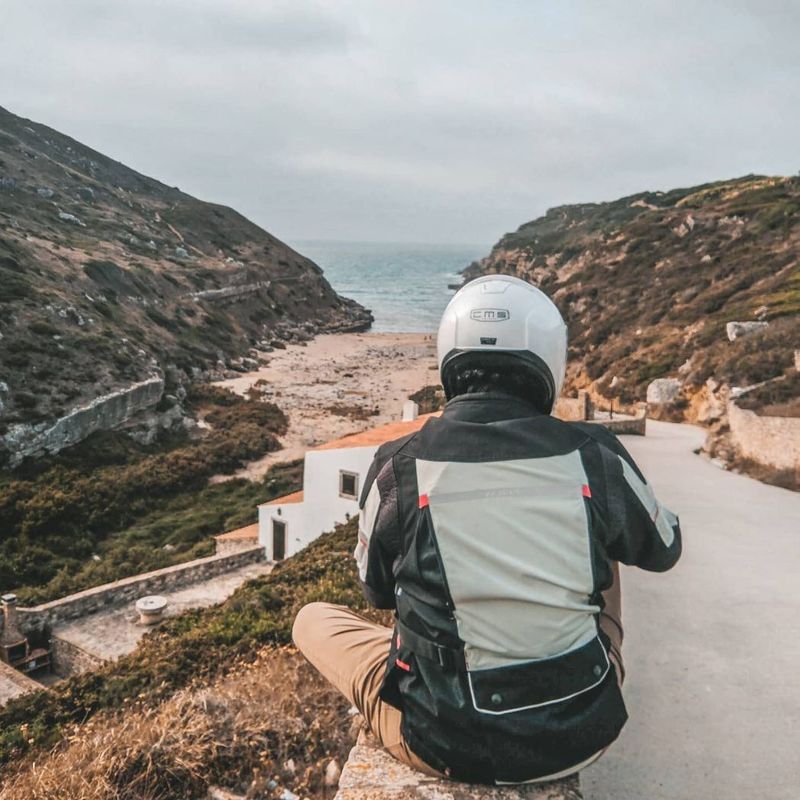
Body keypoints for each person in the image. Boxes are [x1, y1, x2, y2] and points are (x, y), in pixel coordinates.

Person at [292, 275, 682, 785]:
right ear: (549, 362)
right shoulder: (595, 455)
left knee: (310, 618)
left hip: (446, 742)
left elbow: (377, 592)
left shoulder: (399, 466)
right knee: (602, 535)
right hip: (582, 731)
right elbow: (665, 548)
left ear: (449, 360)